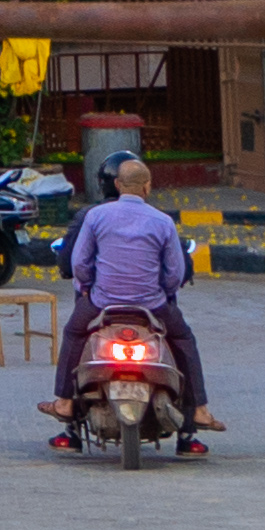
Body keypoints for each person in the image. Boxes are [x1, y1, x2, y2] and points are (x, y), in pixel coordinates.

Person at [45, 156, 216, 453]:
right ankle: (197, 410)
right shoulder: (162, 221)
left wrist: (87, 289)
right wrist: (162, 293)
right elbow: (175, 272)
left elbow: (80, 263)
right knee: (183, 339)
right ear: (148, 186)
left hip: (102, 304)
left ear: (116, 185)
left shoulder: (95, 217)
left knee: (75, 333)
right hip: (151, 306)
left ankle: (64, 402)